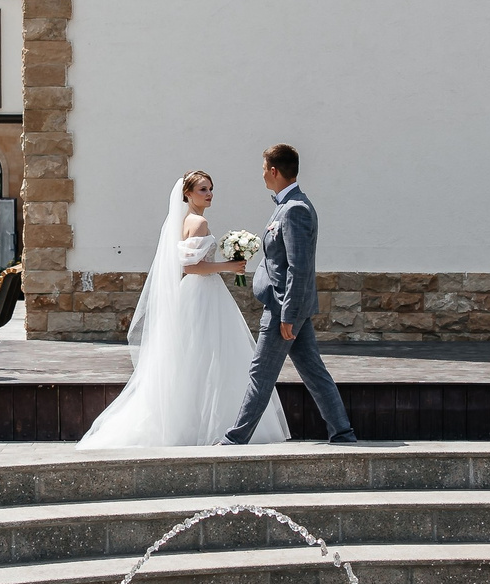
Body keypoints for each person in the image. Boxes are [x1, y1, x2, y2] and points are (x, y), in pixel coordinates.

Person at [79, 170, 289, 447]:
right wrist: (229, 266)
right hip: (202, 292)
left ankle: (193, 422)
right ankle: (209, 424)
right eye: (203, 189)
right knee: (210, 356)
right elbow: (190, 267)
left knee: (195, 357)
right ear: (187, 193)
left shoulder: (183, 222)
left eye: (211, 188)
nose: (209, 193)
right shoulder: (198, 222)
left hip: (194, 293)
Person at [222, 144, 353, 446]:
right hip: (290, 307)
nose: (262, 175)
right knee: (313, 371)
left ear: (273, 170)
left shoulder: (295, 209)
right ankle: (343, 433)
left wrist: (288, 314)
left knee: (260, 373)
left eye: (263, 168)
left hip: (283, 306)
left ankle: (235, 438)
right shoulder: (288, 205)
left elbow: (299, 267)